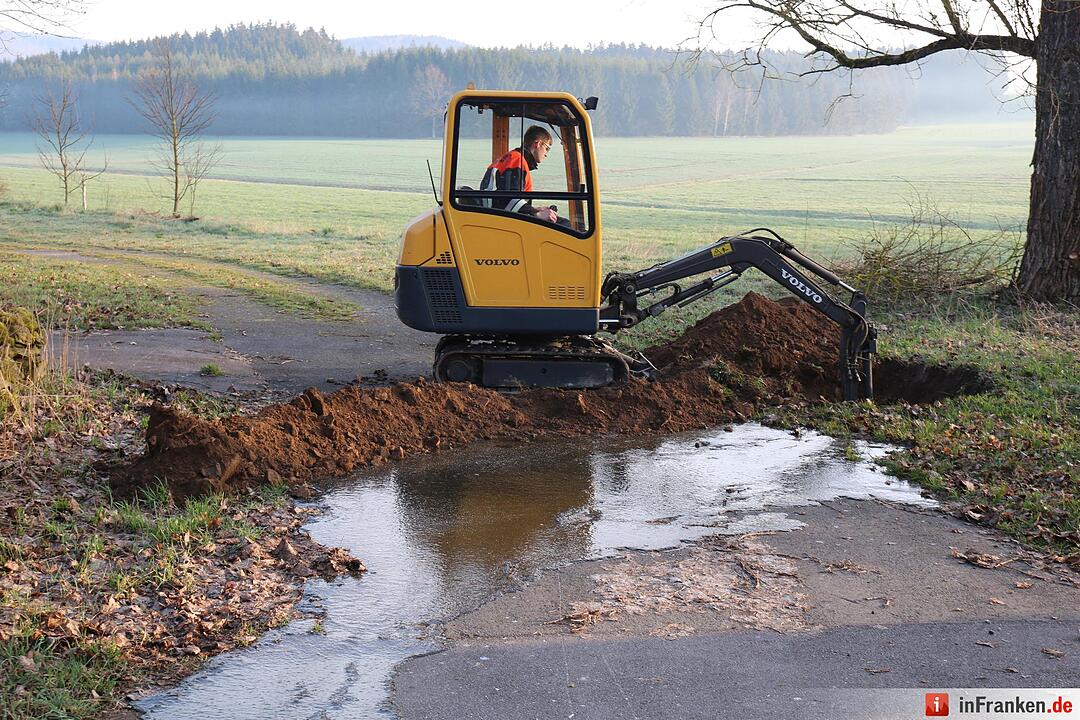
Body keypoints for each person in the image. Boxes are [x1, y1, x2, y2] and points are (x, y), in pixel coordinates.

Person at [481, 125, 559, 223]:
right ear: (538, 144)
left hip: (497, 217)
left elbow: (508, 201)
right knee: (564, 224)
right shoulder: (516, 161)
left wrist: (535, 210)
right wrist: (536, 214)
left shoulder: (511, 158)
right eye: (547, 148)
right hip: (502, 222)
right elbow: (507, 201)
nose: (546, 154)